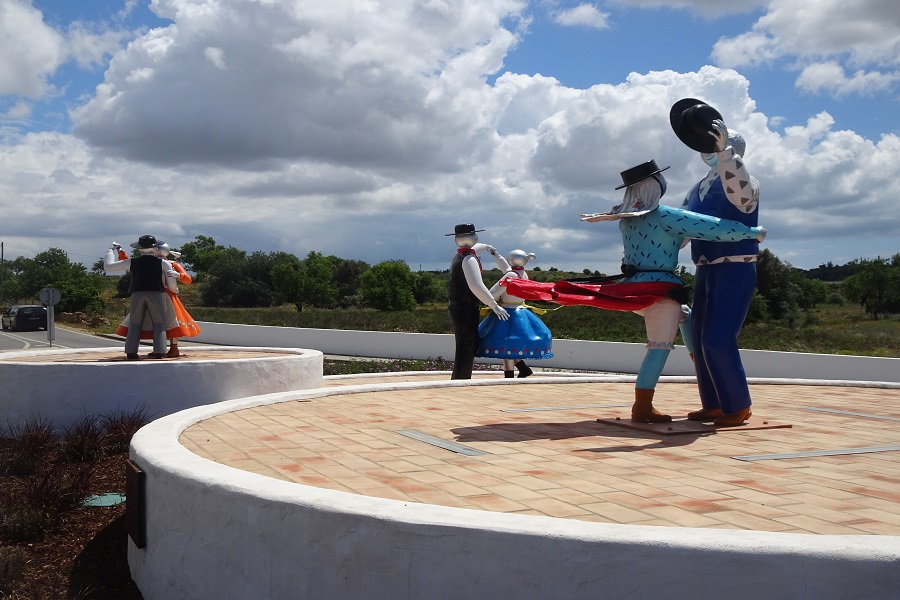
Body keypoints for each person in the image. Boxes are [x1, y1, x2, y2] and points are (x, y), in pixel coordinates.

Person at [503, 160, 766, 423]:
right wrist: (750, 232)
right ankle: (643, 405)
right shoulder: (665, 215)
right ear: (655, 185)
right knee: (659, 347)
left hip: (633, 286)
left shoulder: (625, 221)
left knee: (687, 317)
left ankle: (705, 378)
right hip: (661, 291)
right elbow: (711, 228)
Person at [670, 98, 762, 426]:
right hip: (705, 266)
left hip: (735, 264)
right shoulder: (697, 188)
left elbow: (742, 196)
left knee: (718, 337)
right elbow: (681, 224)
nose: (706, 150)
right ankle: (713, 403)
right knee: (699, 335)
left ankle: (737, 404)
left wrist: (726, 156)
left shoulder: (741, 179)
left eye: (716, 144)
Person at [113, 242, 201, 357]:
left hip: (167, 294)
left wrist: (178, 275)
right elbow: (127, 262)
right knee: (152, 321)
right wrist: (120, 251)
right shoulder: (152, 263)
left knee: (172, 320)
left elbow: (188, 279)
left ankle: (172, 347)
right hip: (156, 293)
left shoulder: (170, 263)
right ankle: (159, 348)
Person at [446, 223, 509, 379]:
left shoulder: (459, 256)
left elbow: (476, 248)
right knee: (467, 344)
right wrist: (494, 305)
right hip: (466, 307)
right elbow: (476, 286)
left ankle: (461, 377)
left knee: (466, 342)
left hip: (458, 305)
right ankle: (461, 378)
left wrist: (487, 247)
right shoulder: (469, 259)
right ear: (474, 236)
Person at [477, 249, 553, 378]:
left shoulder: (511, 276)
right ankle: (523, 369)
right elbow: (507, 270)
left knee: (507, 342)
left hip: (507, 312)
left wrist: (489, 300)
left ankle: (510, 375)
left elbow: (492, 293)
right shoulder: (523, 274)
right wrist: (497, 256)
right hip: (521, 311)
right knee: (511, 344)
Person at [104, 235, 179, 360]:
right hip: (157, 294)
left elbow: (108, 267)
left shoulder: (133, 262)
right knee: (159, 322)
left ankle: (131, 351)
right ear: (154, 248)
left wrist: (110, 251)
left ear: (139, 248)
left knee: (135, 322)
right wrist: (174, 290)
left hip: (137, 293)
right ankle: (160, 350)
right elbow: (171, 282)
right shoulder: (163, 263)